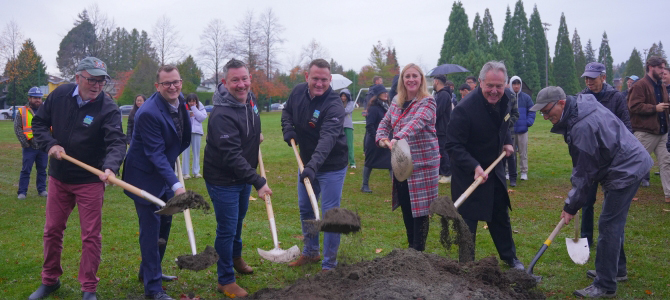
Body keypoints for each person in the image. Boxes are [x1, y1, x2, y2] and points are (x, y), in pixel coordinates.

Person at [530, 86, 652, 298]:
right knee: (613, 222)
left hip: (625, 168)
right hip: (623, 162)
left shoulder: (582, 126)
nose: (545, 116)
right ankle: (617, 269)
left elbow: (585, 172)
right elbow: (586, 166)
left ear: (561, 102)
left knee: (609, 224)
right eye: (541, 112)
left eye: (547, 110)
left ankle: (605, 284)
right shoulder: (581, 105)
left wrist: (570, 206)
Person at [29, 57, 126, 300]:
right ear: (77, 78)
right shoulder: (59, 95)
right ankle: (50, 280)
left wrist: (111, 167)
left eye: (101, 81)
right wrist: (50, 144)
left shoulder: (108, 107)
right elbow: (39, 124)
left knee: (91, 236)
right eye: (91, 79)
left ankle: (89, 288)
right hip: (59, 177)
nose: (96, 85)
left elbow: (116, 142)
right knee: (52, 230)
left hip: (90, 181)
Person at [204, 59, 272, 297]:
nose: (241, 85)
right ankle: (225, 279)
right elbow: (231, 155)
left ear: (250, 78)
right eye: (235, 80)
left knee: (238, 221)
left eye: (244, 79)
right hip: (223, 179)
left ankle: (235, 257)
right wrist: (259, 181)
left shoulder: (249, 101)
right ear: (225, 82)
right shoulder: (221, 114)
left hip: (242, 176)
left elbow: (248, 125)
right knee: (227, 228)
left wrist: (255, 134)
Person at [445, 61, 523, 270]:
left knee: (500, 216)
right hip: (469, 174)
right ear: (480, 82)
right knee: (467, 224)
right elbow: (452, 145)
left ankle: (510, 258)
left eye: (499, 86)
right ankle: (466, 265)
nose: (494, 91)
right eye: (490, 86)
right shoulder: (464, 109)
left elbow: (504, 122)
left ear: (505, 84)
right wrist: (474, 166)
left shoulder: (507, 98)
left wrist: (506, 139)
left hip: (494, 171)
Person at [123, 65, 191, 300]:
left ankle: (149, 272)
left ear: (181, 82)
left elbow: (183, 135)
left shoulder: (179, 100)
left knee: (165, 225)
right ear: (157, 86)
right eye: (166, 84)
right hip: (143, 178)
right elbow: (155, 154)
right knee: (151, 231)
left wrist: (174, 159)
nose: (172, 87)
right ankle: (152, 289)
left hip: (164, 172)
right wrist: (176, 185)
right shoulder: (148, 113)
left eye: (176, 82)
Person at [281, 59, 348, 271]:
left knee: (329, 215)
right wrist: (287, 129)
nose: (319, 83)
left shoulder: (334, 105)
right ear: (306, 77)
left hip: (331, 166)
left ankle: (329, 265)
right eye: (315, 79)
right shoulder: (298, 92)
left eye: (324, 80)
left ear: (330, 80)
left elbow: (327, 139)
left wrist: (312, 166)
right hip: (307, 162)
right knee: (306, 208)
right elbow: (287, 112)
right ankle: (311, 252)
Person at [376, 63, 439, 252]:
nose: (411, 79)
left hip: (423, 165)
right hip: (402, 163)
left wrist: (397, 137)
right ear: (402, 80)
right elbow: (384, 123)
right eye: (407, 76)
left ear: (421, 80)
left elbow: (416, 123)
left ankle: (418, 251)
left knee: (420, 211)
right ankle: (411, 247)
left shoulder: (428, 102)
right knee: (406, 207)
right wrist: (381, 138)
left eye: (415, 76)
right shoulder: (396, 102)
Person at [577, 62, 633, 246]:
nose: (588, 81)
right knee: (586, 199)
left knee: (612, 205)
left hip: (612, 158)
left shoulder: (615, 98)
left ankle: (611, 242)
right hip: (591, 156)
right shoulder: (582, 97)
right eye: (586, 78)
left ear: (603, 77)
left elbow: (626, 127)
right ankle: (585, 238)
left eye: (592, 78)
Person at [628, 56, 670, 203]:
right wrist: (654, 108)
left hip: (662, 131)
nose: (663, 71)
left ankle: (668, 194)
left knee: (666, 162)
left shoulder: (662, 86)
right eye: (661, 68)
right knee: (636, 164)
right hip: (645, 133)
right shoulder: (639, 85)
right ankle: (625, 193)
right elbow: (633, 106)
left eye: (664, 68)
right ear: (651, 68)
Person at [15, 87, 48, 199]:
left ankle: (42, 190)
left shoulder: (46, 110)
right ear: (29, 98)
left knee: (42, 169)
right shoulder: (22, 111)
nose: (37, 100)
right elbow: (18, 128)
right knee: (26, 170)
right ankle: (22, 192)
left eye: (39, 98)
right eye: (35, 98)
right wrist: (25, 143)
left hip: (43, 146)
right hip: (29, 147)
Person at [361, 84, 392, 193]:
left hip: (386, 140)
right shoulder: (374, 108)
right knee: (369, 163)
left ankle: (396, 187)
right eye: (383, 93)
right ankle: (364, 185)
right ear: (377, 95)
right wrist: (377, 138)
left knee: (391, 163)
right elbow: (369, 125)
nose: (385, 94)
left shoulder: (387, 107)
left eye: (386, 92)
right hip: (374, 141)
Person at [509, 76, 535, 182]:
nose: (516, 86)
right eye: (514, 84)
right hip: (510, 131)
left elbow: (532, 111)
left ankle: (524, 172)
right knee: (510, 153)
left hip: (523, 130)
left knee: (523, 153)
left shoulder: (526, 98)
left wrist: (527, 122)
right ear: (511, 85)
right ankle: (509, 171)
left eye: (518, 84)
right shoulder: (507, 97)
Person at [182, 93, 207, 179]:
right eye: (190, 101)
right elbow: (181, 118)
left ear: (196, 101)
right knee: (185, 152)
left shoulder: (200, 106)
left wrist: (194, 109)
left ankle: (196, 172)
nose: (192, 103)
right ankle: (185, 173)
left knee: (196, 153)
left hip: (197, 132)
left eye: (193, 101)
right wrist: (188, 115)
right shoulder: (183, 106)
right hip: (186, 132)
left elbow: (202, 118)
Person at [433, 75, 453, 183]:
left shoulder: (444, 95)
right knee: (439, 151)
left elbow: (438, 111)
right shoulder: (439, 95)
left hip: (442, 128)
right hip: (438, 129)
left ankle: (447, 174)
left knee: (443, 151)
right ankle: (441, 172)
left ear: (436, 82)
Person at [341, 88, 356, 169]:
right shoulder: (338, 103)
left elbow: (347, 111)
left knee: (349, 145)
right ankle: (343, 161)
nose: (343, 98)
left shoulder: (351, 103)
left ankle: (352, 162)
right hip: (339, 126)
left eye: (344, 96)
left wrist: (338, 110)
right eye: (342, 96)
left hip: (348, 126)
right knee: (340, 145)